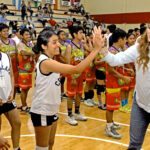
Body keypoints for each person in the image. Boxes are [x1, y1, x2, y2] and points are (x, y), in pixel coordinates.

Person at [30, 26, 104, 150]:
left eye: (58, 41)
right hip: (42, 110)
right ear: (44, 46)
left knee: (51, 143)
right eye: (54, 42)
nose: (58, 44)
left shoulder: (51, 60)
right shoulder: (46, 62)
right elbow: (76, 69)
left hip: (52, 108)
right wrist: (96, 50)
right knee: (42, 148)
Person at [101, 24, 150, 150]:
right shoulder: (140, 47)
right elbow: (115, 60)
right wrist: (102, 49)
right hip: (140, 104)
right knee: (133, 145)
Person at [0, 41, 21, 150]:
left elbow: (11, 75)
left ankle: (16, 148)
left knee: (17, 122)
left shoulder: (6, 56)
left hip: (6, 96)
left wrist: (12, 92)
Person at [17, 28, 35, 114]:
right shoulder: (20, 44)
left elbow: (31, 53)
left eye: (29, 34)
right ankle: (24, 107)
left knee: (27, 88)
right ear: (21, 36)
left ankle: (24, 104)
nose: (28, 36)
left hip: (29, 68)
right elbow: (23, 55)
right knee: (24, 89)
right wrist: (32, 53)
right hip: (23, 69)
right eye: (26, 34)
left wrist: (30, 53)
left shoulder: (30, 43)